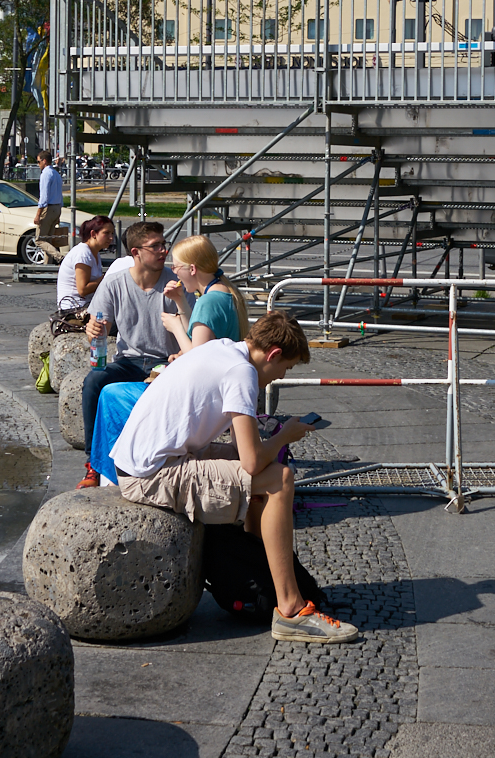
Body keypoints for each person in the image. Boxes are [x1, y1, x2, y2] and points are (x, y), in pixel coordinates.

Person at [110, 311, 357, 643]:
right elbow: (253, 463)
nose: (281, 375)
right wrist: (284, 435)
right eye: (286, 367)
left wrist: (272, 442)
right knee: (279, 479)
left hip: (144, 460)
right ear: (273, 354)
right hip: (150, 474)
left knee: (268, 477)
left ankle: (264, 577)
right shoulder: (242, 373)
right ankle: (290, 610)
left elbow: (244, 454)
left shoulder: (224, 349)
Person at [80, 221, 176, 486]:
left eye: (163, 244)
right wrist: (94, 328)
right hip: (129, 360)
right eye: (155, 246)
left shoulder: (174, 283)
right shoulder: (114, 283)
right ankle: (93, 464)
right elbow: (101, 326)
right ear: (135, 252)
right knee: (93, 381)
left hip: (166, 362)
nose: (163, 251)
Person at [162, 235, 250, 351]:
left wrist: (176, 328)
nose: (175, 273)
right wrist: (180, 300)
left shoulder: (208, 302)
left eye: (176, 267)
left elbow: (197, 357)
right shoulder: (224, 291)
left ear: (192, 269)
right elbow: (196, 336)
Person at [55, 215, 116, 321]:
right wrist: (106, 279)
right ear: (93, 234)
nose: (111, 238)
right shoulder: (83, 253)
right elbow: (83, 289)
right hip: (73, 311)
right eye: (106, 233)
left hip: (86, 307)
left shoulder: (94, 253)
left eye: (112, 233)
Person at [34, 149, 63, 243]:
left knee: (40, 240)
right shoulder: (56, 174)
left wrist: (38, 215)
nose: (38, 164)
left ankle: (58, 256)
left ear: (44, 161)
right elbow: (60, 194)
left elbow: (44, 196)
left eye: (39, 162)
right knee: (48, 240)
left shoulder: (45, 174)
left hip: (48, 209)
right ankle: (49, 258)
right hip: (57, 207)